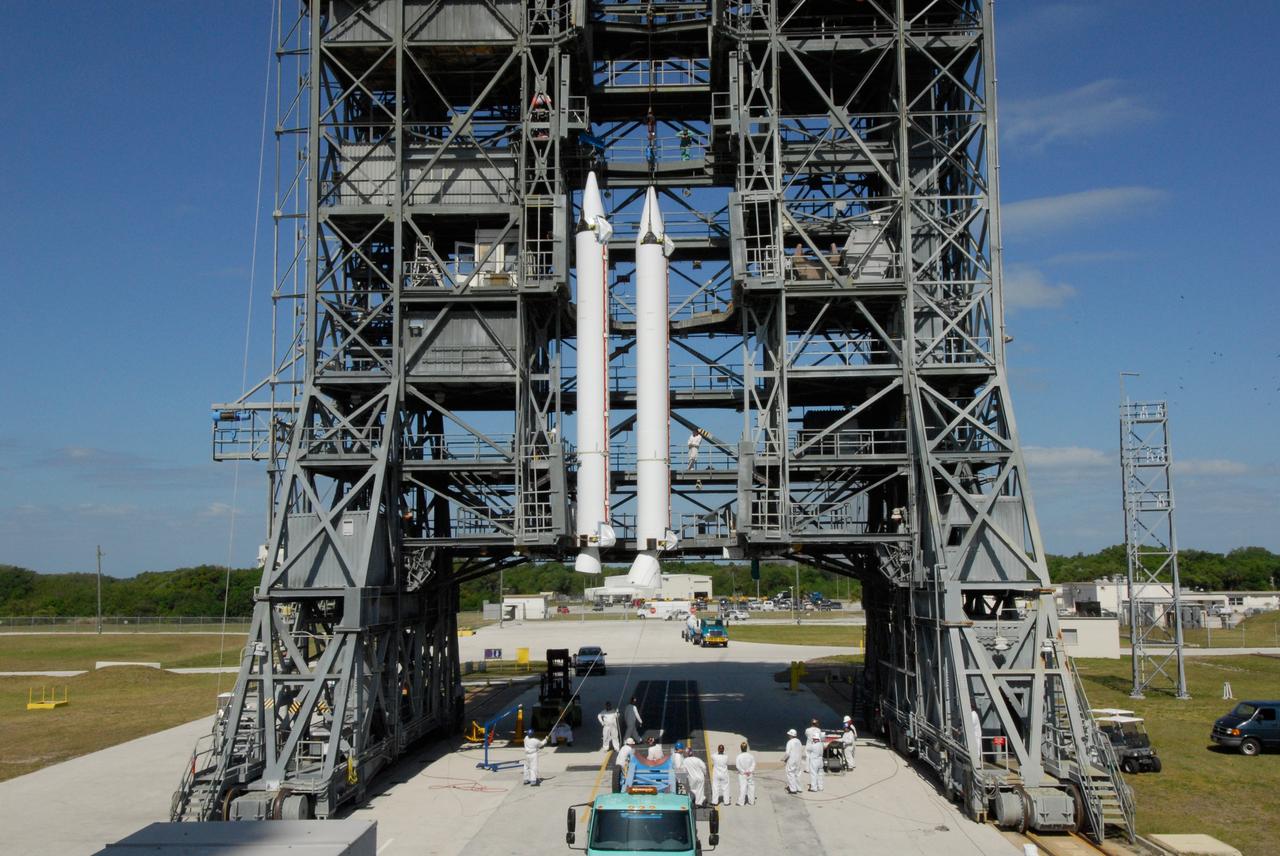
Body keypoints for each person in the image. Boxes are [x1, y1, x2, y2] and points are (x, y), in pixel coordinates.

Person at [734, 741, 756, 805]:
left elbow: (738, 766)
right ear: (746, 748)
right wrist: (749, 771)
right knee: (751, 787)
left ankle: (741, 802)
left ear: (741, 748)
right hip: (750, 774)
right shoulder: (751, 756)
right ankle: (751, 801)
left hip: (742, 775)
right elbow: (753, 764)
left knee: (743, 788)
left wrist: (743, 772)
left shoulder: (738, 756)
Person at [782, 728, 803, 794]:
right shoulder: (799, 741)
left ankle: (793, 789)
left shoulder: (790, 742)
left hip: (791, 760)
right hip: (798, 760)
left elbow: (787, 753)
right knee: (797, 774)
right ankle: (799, 788)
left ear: (791, 735)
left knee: (790, 773)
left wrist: (784, 759)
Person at [805, 725, 825, 792]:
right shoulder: (821, 745)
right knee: (820, 774)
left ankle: (814, 788)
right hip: (820, 761)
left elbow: (807, 750)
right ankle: (820, 787)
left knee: (813, 774)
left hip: (814, 761)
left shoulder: (813, 745)